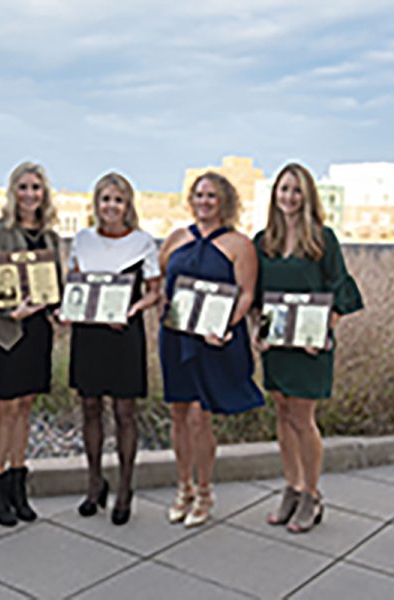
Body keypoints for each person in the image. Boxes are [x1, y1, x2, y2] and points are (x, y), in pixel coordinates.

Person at [251, 163, 363, 533]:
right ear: (275, 194)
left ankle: (312, 495)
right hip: (277, 345)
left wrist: (323, 333)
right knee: (282, 413)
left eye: (296, 190)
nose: (289, 197)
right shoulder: (262, 241)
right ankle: (292, 487)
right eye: (284, 189)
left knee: (302, 416)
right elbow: (256, 298)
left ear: (308, 196)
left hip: (311, 347)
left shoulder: (322, 239)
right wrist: (259, 331)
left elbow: (340, 290)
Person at [158, 172, 264, 527]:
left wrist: (225, 327)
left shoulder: (239, 244)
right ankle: (182, 488)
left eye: (212, 196)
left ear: (225, 202)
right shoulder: (175, 239)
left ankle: (204, 492)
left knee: (199, 417)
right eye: (199, 195)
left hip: (213, 340)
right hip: (175, 337)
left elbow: (246, 294)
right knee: (177, 412)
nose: (204, 201)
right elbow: (164, 284)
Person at [0, 161, 62, 526]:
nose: (29, 195)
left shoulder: (51, 237)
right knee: (6, 408)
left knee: (26, 406)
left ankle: (18, 484)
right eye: (23, 187)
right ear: (13, 192)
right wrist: (7, 312)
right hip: (7, 332)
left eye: (36, 188)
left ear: (44, 194)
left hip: (38, 331)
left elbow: (54, 285)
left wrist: (55, 305)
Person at [66, 172, 161, 525]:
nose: (111, 206)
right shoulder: (82, 239)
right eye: (105, 199)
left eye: (118, 200)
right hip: (88, 333)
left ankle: (124, 488)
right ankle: (94, 483)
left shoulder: (143, 242)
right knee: (90, 407)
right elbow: (73, 283)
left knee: (124, 411)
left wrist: (134, 310)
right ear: (96, 204)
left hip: (124, 333)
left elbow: (154, 291)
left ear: (128, 205)